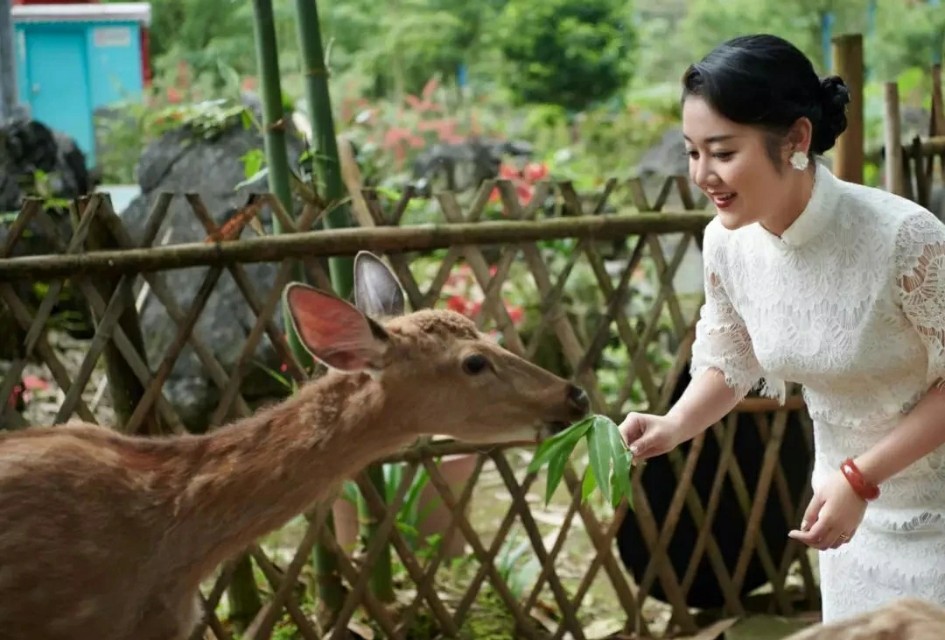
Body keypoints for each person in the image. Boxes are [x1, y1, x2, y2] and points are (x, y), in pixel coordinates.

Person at [619, 33, 945, 623]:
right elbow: (731, 356)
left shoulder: (904, 238)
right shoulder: (726, 241)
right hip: (845, 520)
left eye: (722, 152)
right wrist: (674, 425)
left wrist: (860, 478)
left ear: (795, 139)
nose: (702, 175)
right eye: (692, 152)